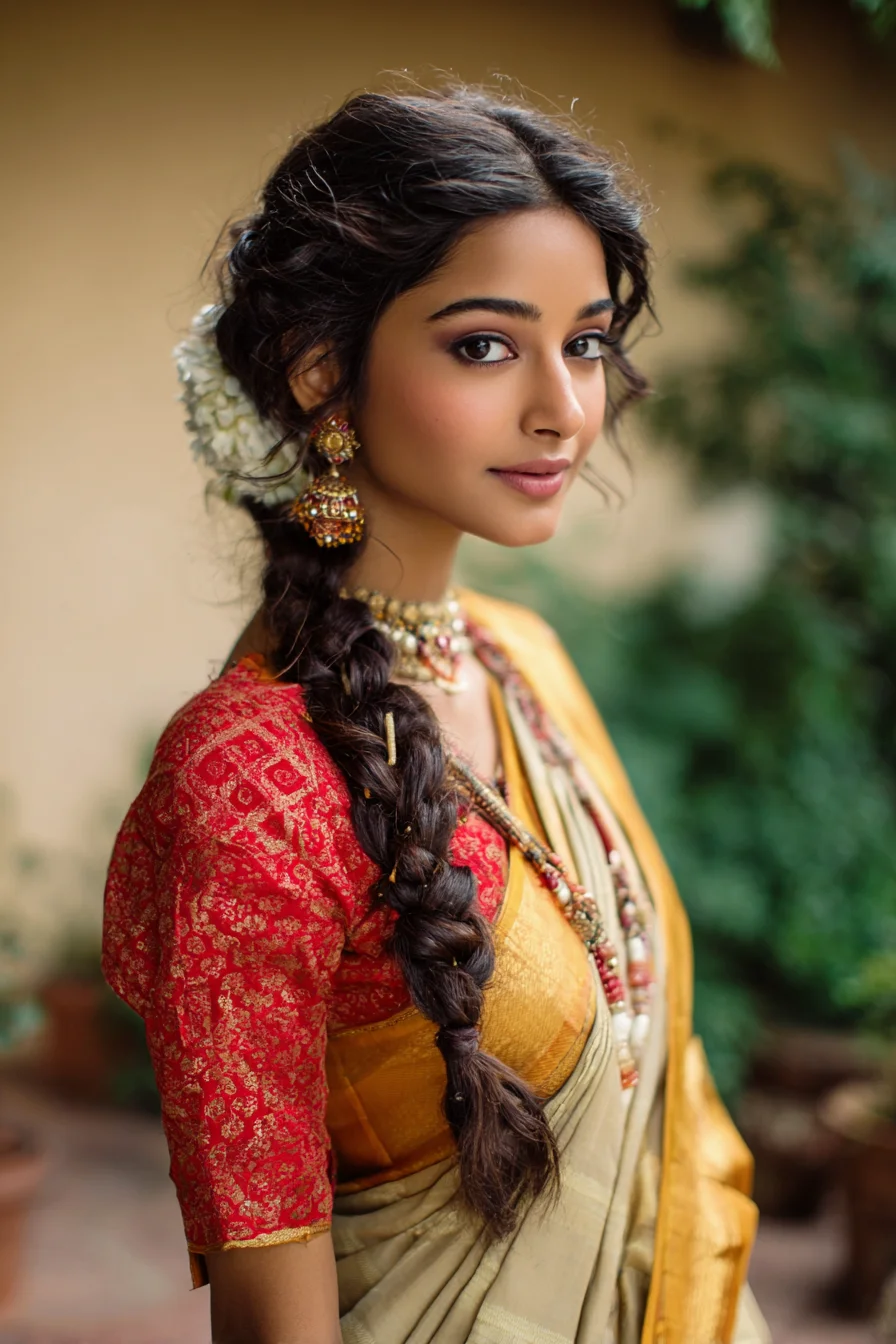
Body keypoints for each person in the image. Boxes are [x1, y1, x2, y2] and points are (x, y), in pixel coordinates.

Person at [102, 87, 769, 1344]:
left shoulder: (526, 663)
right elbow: (268, 1298)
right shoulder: (249, 780)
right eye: (483, 345)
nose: (564, 409)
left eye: (583, 341)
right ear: (319, 371)